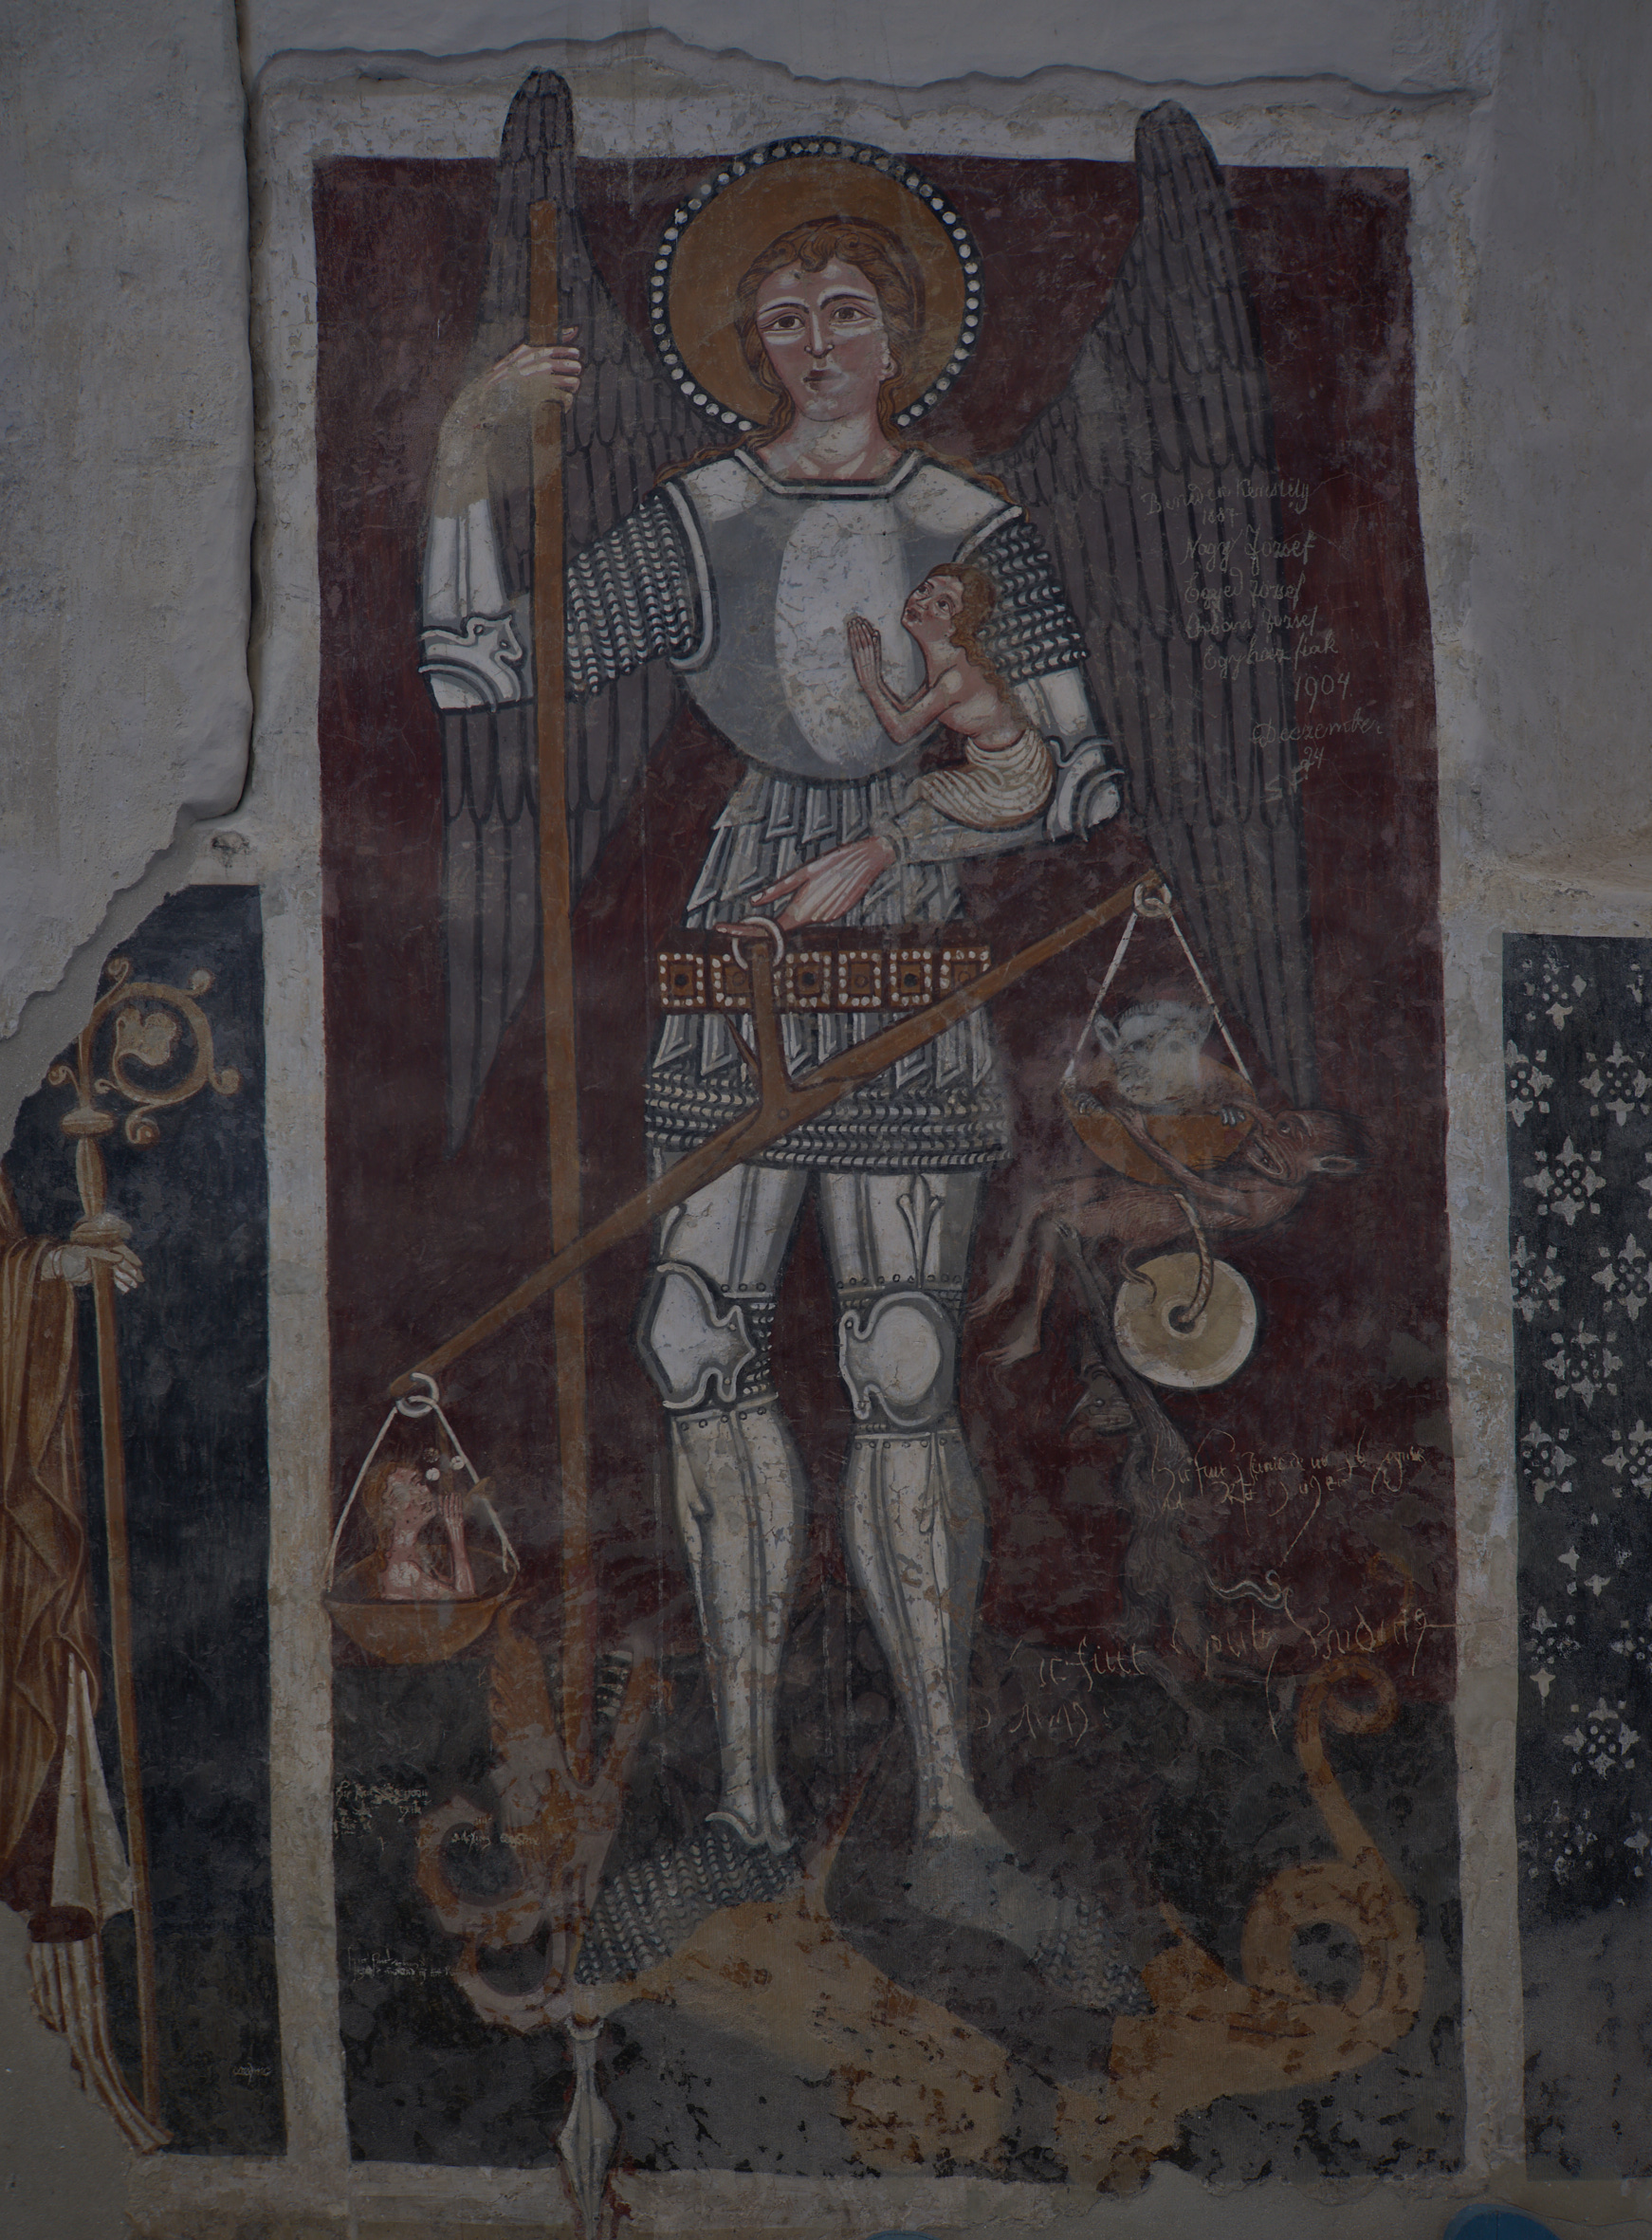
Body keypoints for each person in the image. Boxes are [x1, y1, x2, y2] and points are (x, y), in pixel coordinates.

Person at [421, 211, 1136, 2000]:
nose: (814, 341)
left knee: (901, 1357)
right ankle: (743, 1808)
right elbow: (478, 667)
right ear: (748, 348)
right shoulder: (703, 520)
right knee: (691, 1334)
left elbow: (1071, 771)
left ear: (899, 335)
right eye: (782, 317)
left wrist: (885, 843)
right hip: (740, 928)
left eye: (844, 310)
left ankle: (950, 1815)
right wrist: (460, 457)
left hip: (899, 931)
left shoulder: (972, 526)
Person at [847, 564, 1055, 835]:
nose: (922, 603)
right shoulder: (944, 659)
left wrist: (870, 682)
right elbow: (906, 713)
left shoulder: (953, 678)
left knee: (920, 792)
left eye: (943, 605)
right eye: (925, 590)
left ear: (956, 627)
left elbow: (901, 730)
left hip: (1014, 781)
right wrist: (875, 679)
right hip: (998, 761)